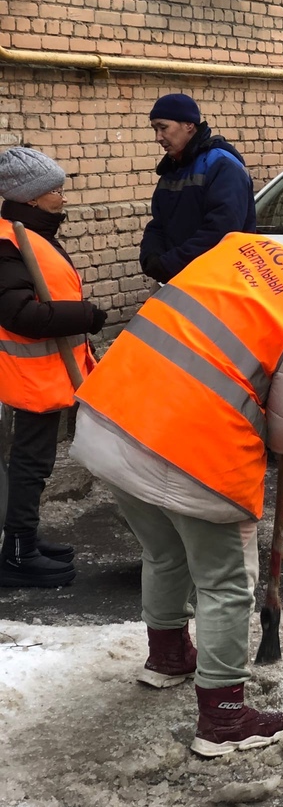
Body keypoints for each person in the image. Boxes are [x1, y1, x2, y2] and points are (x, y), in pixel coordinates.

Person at [70, 231, 283, 756]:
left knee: (164, 552)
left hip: (111, 417)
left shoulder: (244, 251)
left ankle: (166, 657)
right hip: (194, 454)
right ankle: (224, 717)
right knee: (226, 582)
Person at [0, 148, 107, 588]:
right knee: (30, 463)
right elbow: (20, 315)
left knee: (37, 461)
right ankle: (18, 554)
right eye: (54, 190)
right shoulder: (7, 244)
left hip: (48, 374)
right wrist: (85, 315)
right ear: (30, 197)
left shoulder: (31, 233)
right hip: (28, 377)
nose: (62, 197)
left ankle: (24, 540)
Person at [140, 93, 256, 283]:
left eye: (163, 128)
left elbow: (222, 232)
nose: (158, 137)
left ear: (189, 125)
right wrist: (151, 257)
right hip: (180, 280)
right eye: (155, 129)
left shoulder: (222, 165)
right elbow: (159, 224)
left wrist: (170, 264)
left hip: (220, 283)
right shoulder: (172, 169)